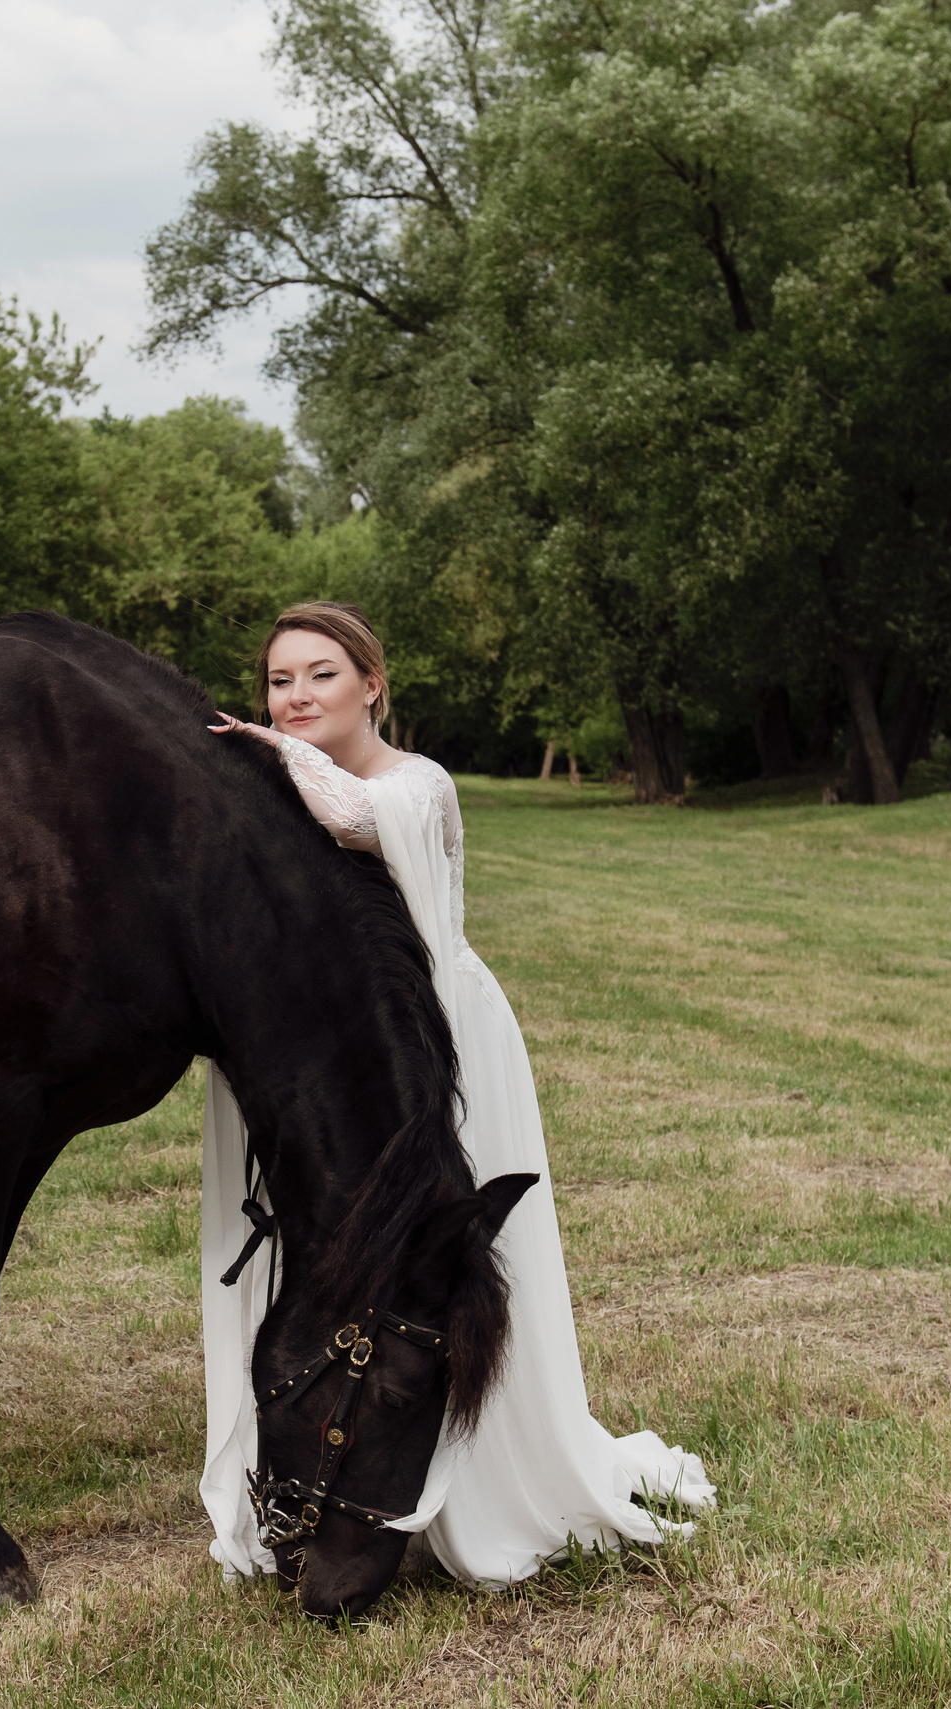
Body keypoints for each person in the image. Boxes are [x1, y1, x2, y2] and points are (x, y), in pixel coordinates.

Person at [200, 601, 715, 1587]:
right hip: (333, 1054)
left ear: (372, 684)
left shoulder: (415, 783)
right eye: (278, 681)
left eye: (320, 674)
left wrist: (271, 749)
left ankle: (487, 1479)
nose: (296, 696)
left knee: (444, 1255)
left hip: (444, 1042)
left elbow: (353, 822)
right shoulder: (271, 789)